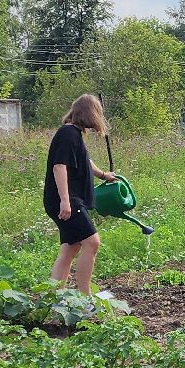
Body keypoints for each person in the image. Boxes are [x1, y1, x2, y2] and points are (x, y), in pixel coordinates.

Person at [47, 93, 117, 293]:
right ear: (90, 114)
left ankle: (54, 297)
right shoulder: (67, 134)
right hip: (66, 200)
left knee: (72, 247)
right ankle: (85, 298)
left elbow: (84, 160)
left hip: (68, 199)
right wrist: (65, 202)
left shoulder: (73, 134)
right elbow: (59, 167)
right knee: (92, 243)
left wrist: (103, 175)